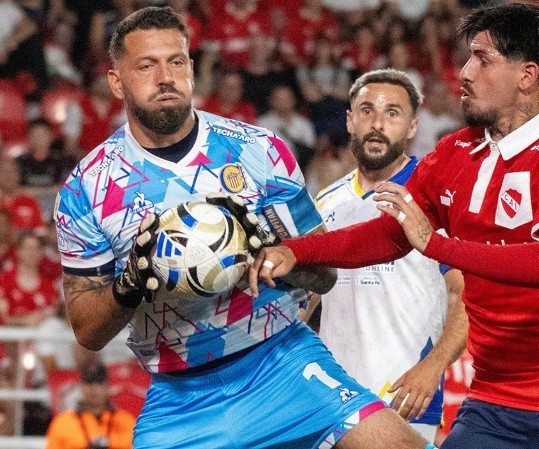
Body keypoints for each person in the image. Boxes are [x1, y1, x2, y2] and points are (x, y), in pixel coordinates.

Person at [253, 4, 539, 448]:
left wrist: (437, 246)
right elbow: (390, 236)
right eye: (467, 57)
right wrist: (297, 251)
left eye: (482, 59)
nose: (464, 72)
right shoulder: (456, 152)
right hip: (501, 394)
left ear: (527, 76)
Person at [54, 7, 433, 449]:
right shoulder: (87, 187)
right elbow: (87, 330)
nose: (165, 76)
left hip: (284, 363)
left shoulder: (259, 151)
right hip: (181, 399)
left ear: (192, 70)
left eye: (176, 62)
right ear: (117, 81)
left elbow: (324, 277)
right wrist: (131, 283)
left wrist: (273, 250)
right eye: (147, 65)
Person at [308, 69, 468, 443]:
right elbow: (307, 293)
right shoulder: (327, 200)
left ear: (413, 126)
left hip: (403, 393)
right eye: (366, 110)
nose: (377, 123)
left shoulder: (434, 199)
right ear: (350, 120)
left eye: (392, 113)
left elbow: (467, 295)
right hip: (331, 393)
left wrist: (432, 368)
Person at [44, 363, 136, 449]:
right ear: (81, 386)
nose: (94, 389)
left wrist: (110, 442)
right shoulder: (62, 422)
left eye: (99, 383)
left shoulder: (126, 421)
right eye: (89, 383)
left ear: (108, 386)